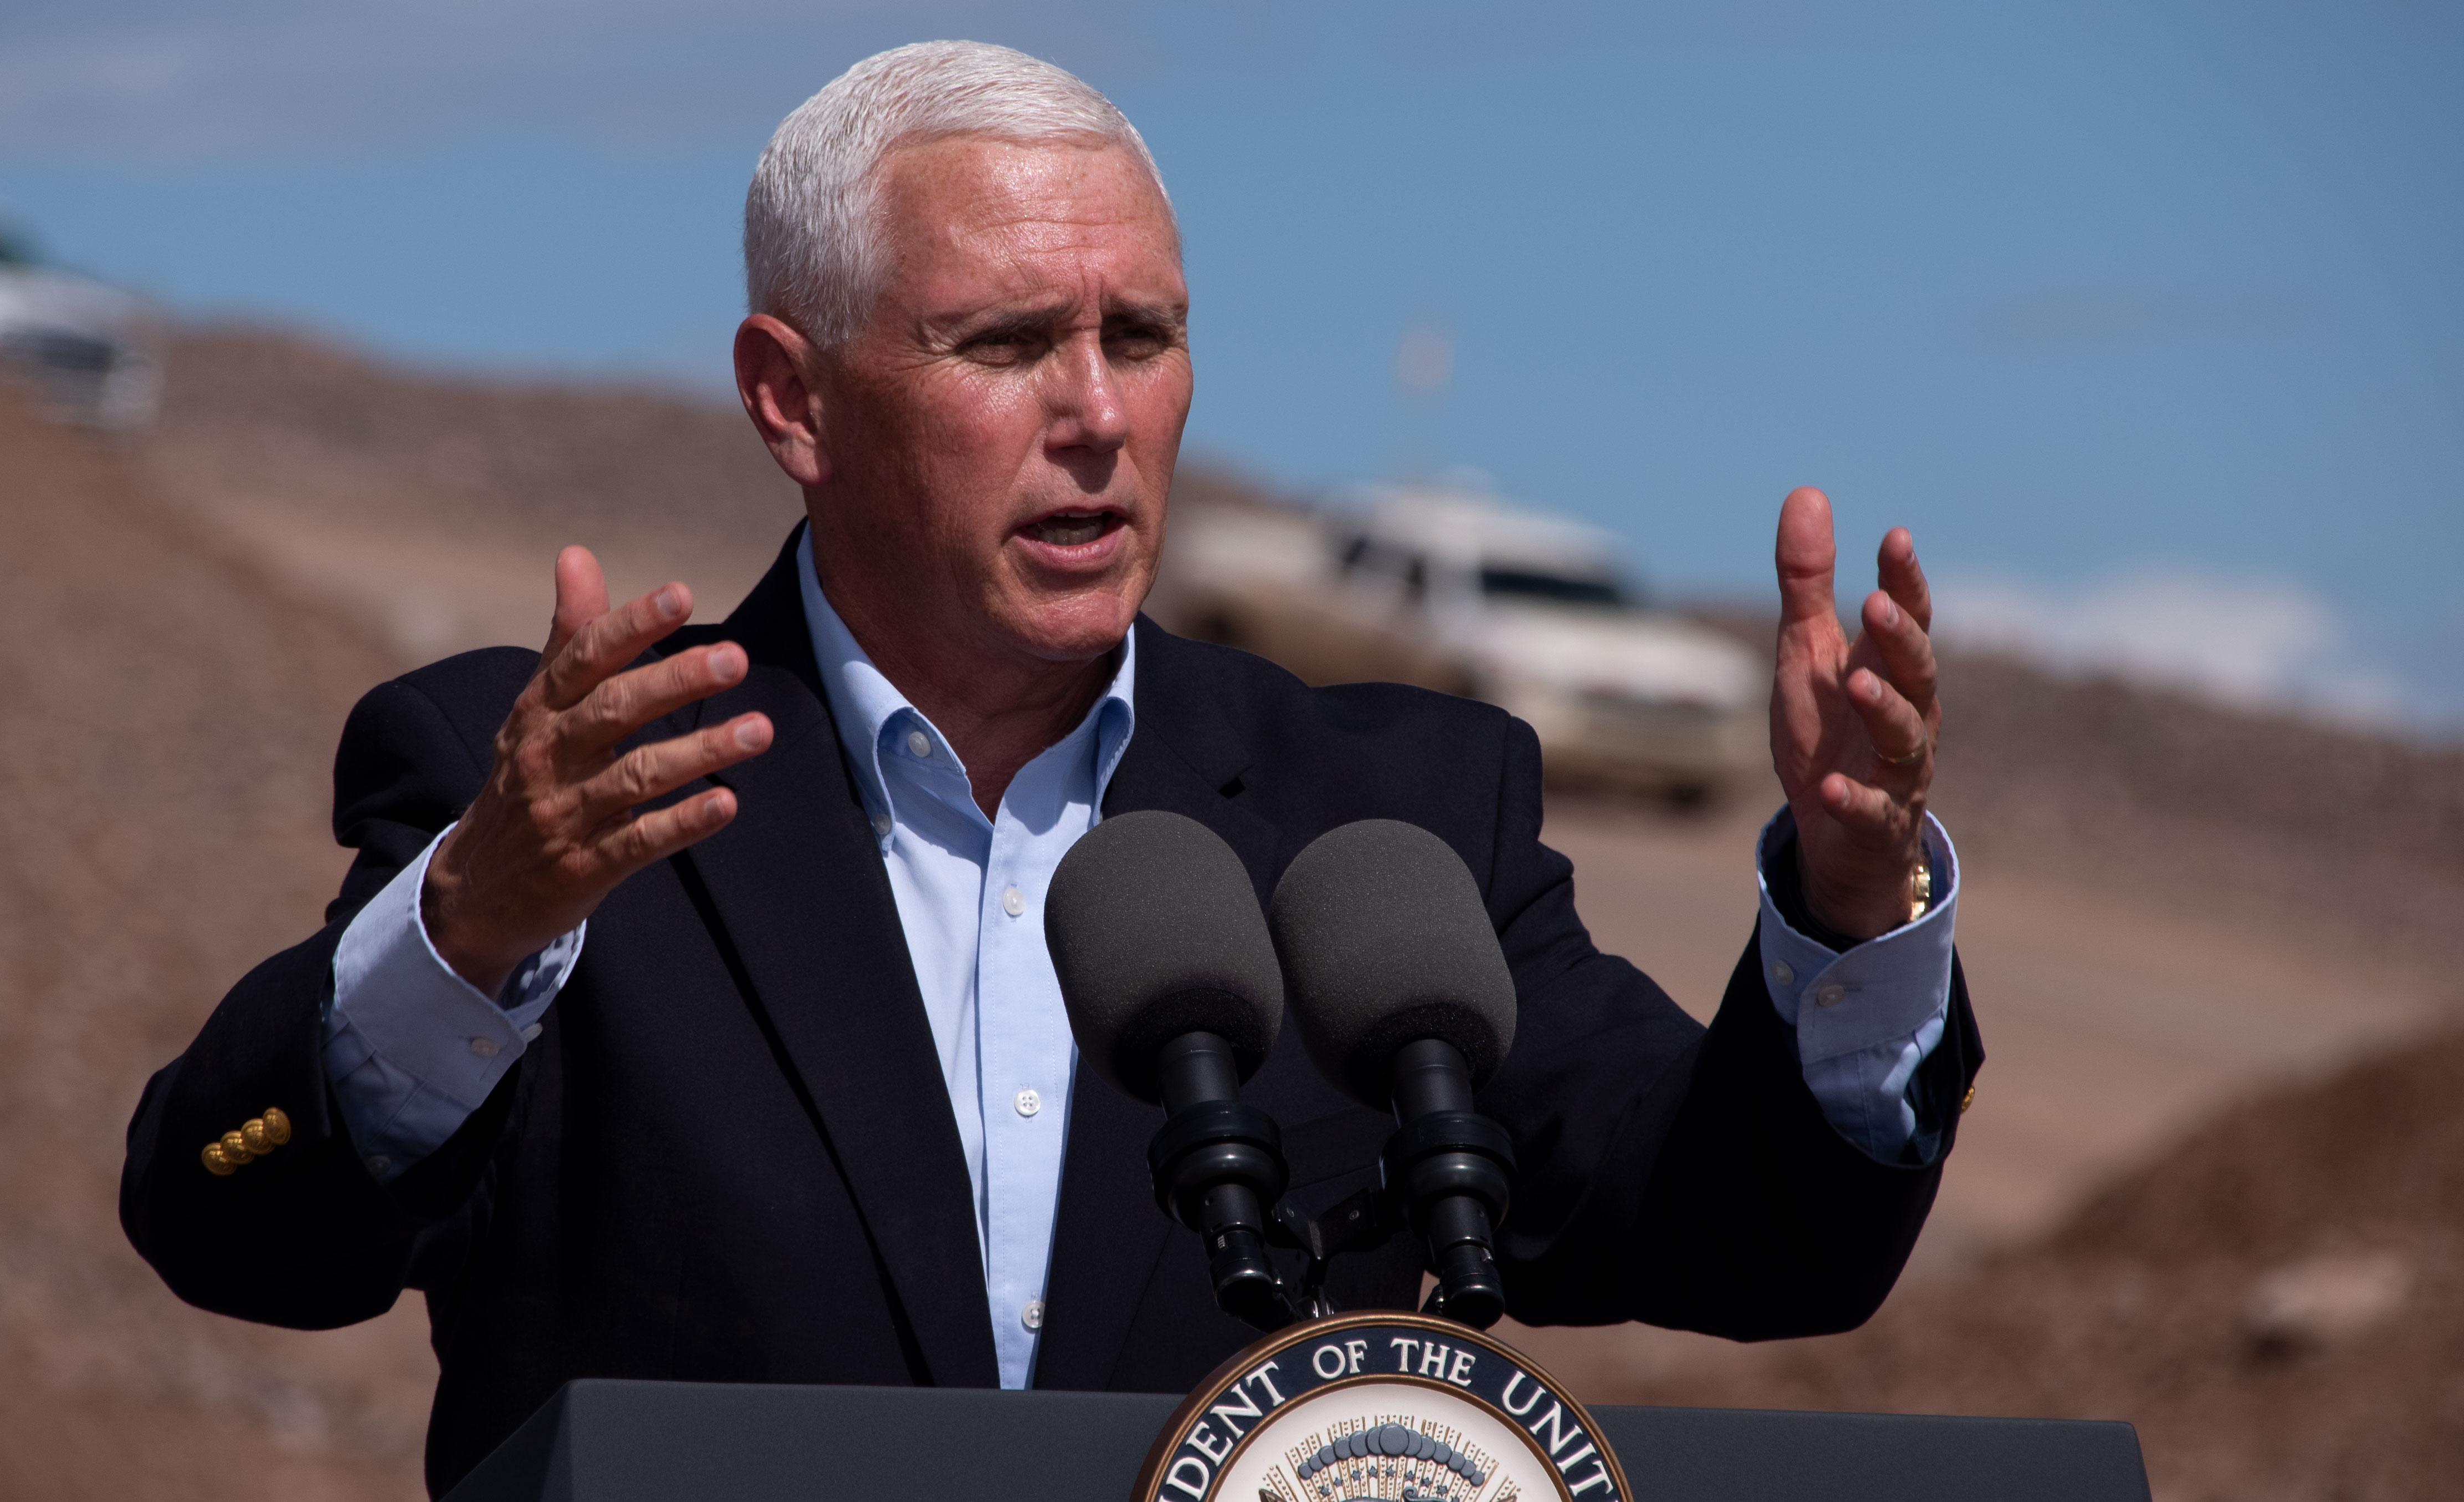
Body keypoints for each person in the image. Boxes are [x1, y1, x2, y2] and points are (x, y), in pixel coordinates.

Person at [122, 41, 1978, 1496]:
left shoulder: (1386, 820)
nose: (1096, 411)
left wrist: (1848, 901)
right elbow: (229, 1222)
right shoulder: (559, 796)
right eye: (1006, 343)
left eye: (1141, 337)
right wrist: (465, 934)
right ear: (794, 396)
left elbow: (1745, 1233)